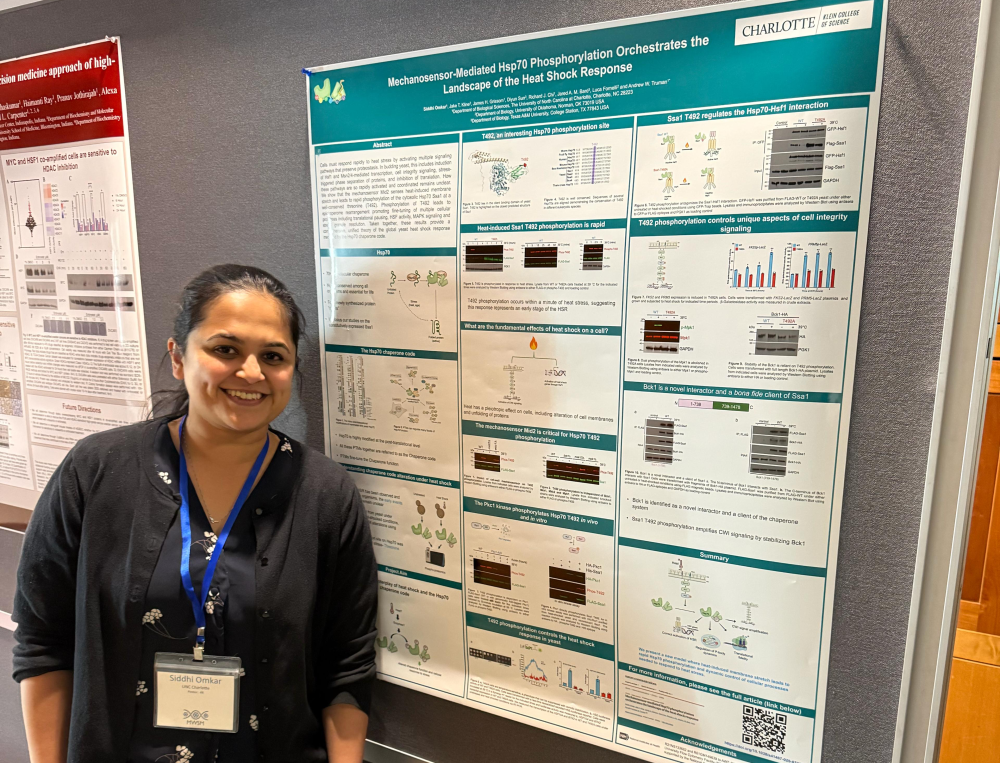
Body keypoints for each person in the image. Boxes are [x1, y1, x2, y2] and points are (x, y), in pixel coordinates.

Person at [12, 264, 378, 762]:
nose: (251, 373)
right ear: (179, 357)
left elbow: (347, 667)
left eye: (273, 356)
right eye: (224, 350)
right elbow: (43, 640)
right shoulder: (95, 471)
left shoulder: (325, 495)